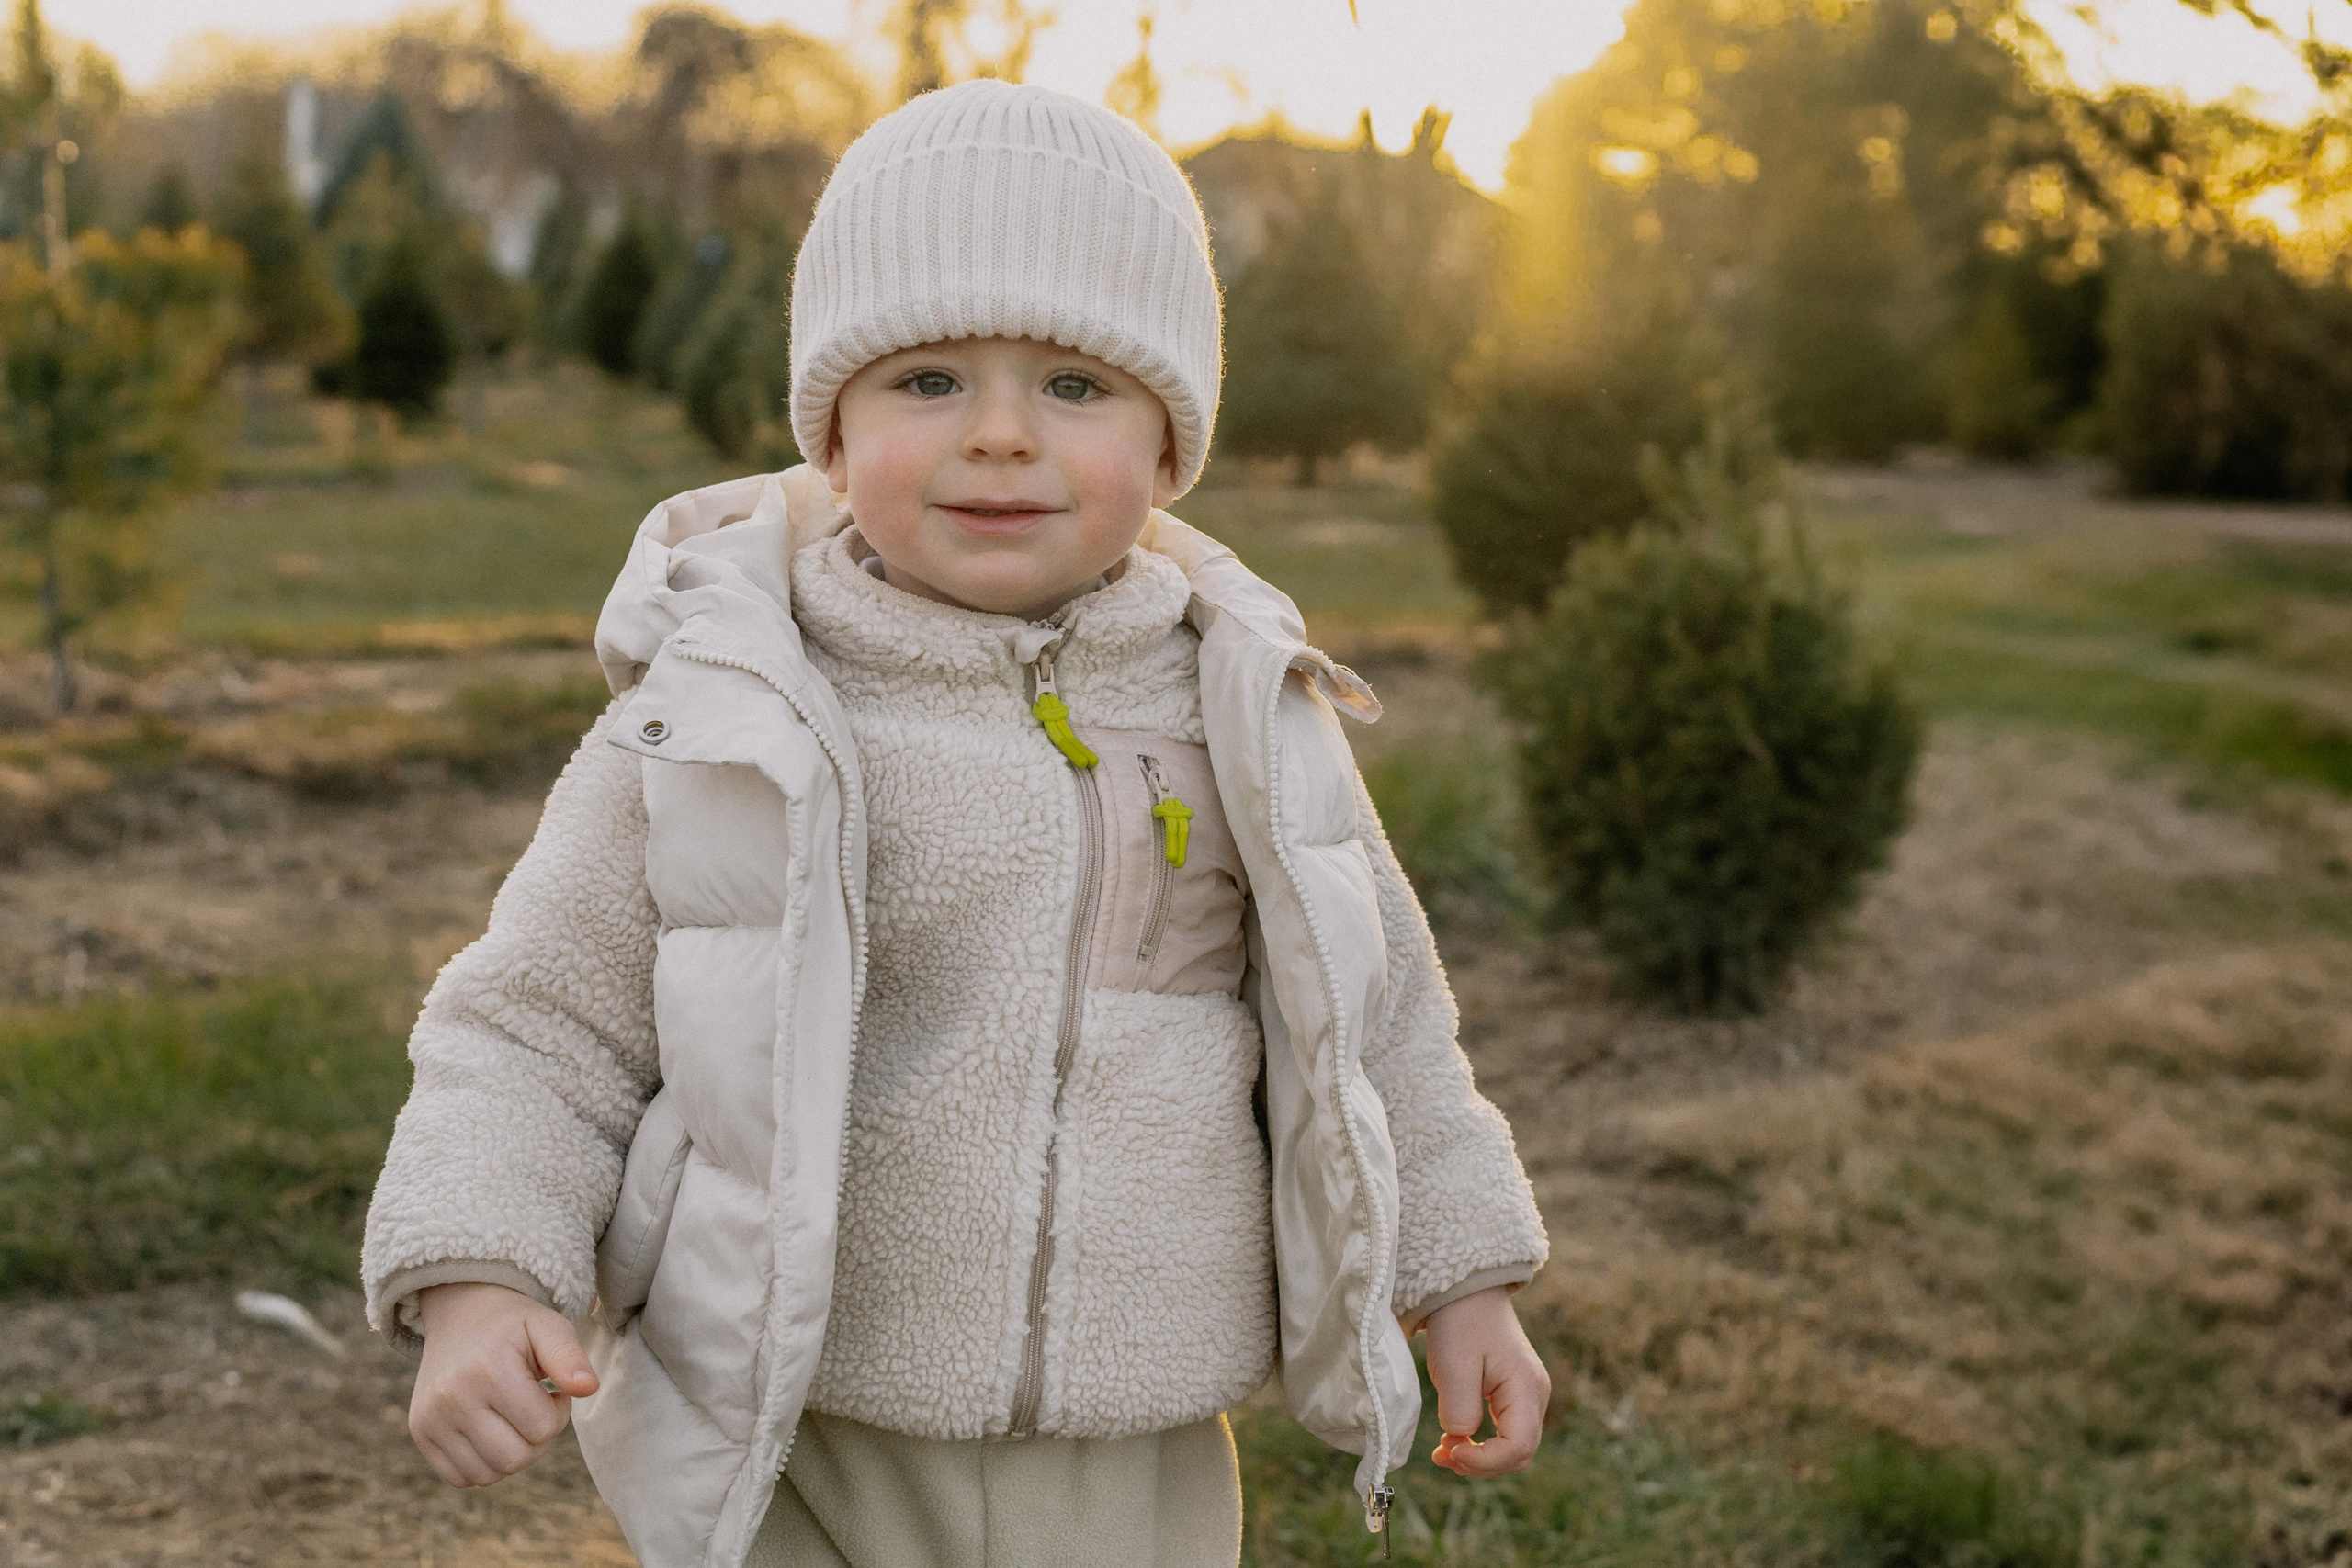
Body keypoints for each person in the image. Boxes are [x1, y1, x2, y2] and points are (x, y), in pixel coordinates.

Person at [361, 79, 1549, 1568]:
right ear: (832, 438)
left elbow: (1378, 1033)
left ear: (1172, 448)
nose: (998, 436)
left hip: (1140, 1445)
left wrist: (1463, 1278)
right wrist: (480, 1274)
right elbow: (539, 1024)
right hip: (814, 1425)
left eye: (1074, 386)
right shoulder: (728, 715)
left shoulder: (1246, 711)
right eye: (927, 380)